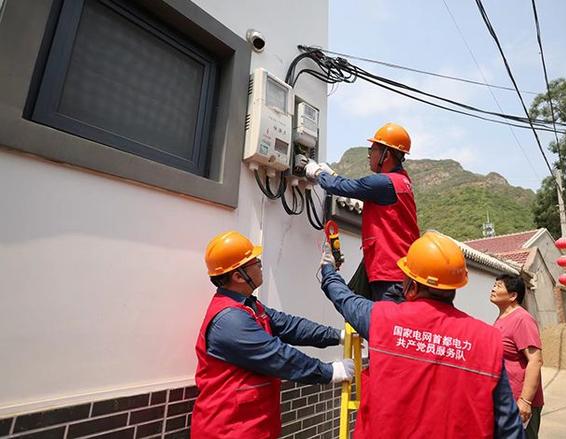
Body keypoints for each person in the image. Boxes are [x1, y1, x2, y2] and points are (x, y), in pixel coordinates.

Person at [319, 231, 524, 438]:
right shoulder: (487, 339)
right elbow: (509, 428)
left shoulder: (381, 319)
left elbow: (345, 300)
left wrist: (328, 270)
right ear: (455, 287)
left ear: (412, 286)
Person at [191, 231, 355, 439]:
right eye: (254, 261)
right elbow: (277, 356)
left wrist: (336, 335)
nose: (260, 264)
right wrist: (328, 372)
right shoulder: (230, 320)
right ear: (238, 276)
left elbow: (289, 326)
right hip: (229, 429)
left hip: (250, 424)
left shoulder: (249, 305)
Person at [304, 122, 419, 303]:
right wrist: (332, 175)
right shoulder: (401, 182)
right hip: (394, 269)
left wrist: (317, 173)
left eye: (372, 150)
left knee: (381, 324)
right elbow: (356, 187)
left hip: (389, 274)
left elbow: (347, 187)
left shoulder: (384, 183)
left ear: (386, 154)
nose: (369, 155)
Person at [489, 275, 545, 439]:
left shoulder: (522, 319)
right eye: (494, 285)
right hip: (507, 398)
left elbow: (535, 359)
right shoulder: (502, 318)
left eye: (499, 286)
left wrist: (525, 401)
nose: (493, 288)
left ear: (513, 295)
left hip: (520, 401)